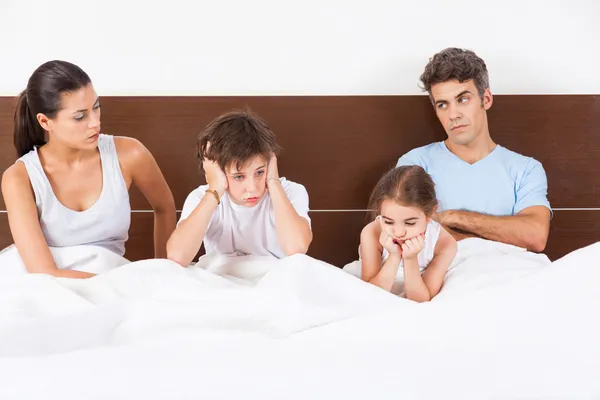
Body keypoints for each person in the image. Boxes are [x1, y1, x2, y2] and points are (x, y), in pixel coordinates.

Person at [1, 60, 176, 278]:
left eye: (96, 107)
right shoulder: (19, 178)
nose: (95, 122)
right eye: (80, 116)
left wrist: (166, 272)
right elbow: (44, 272)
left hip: (111, 274)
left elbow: (165, 207)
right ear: (45, 122)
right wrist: (125, 286)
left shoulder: (130, 154)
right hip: (48, 285)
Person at [397, 48, 551, 252]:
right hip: (441, 277)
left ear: (486, 99)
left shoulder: (526, 169)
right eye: (443, 105)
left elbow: (535, 236)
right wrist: (505, 235)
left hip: (510, 276)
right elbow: (407, 233)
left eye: (462, 99)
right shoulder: (415, 164)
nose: (453, 115)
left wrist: (453, 217)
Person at [167, 109, 312, 266]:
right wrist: (215, 189)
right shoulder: (202, 197)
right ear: (216, 171)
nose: (252, 188)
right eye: (239, 177)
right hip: (222, 281)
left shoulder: (291, 192)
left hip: (275, 280)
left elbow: (296, 249)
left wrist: (273, 182)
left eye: (260, 172)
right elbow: (178, 256)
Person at [354, 166, 456, 302]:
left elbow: (420, 300)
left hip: (417, 291)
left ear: (431, 213)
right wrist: (394, 256)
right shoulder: (372, 232)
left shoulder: (444, 243)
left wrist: (410, 259)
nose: (399, 232)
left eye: (410, 223)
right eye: (389, 222)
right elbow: (370, 294)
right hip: (380, 290)